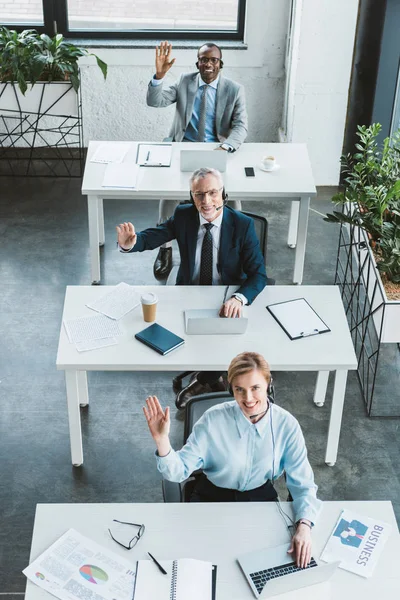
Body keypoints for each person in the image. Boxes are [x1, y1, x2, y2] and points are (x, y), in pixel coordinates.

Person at [143, 352, 322, 568]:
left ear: (268, 384)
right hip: (212, 497)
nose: (248, 398)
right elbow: (177, 471)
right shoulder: (213, 419)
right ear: (231, 389)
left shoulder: (286, 425)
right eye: (239, 389)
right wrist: (162, 441)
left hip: (259, 499)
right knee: (201, 565)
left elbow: (303, 485)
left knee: (268, 566)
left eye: (255, 388)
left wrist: (304, 526)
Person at [116, 168, 267, 408]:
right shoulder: (183, 215)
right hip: (189, 292)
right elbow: (155, 236)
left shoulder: (242, 225)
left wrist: (239, 298)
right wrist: (130, 243)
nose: (206, 201)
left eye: (212, 193)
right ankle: (210, 376)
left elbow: (259, 274)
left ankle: (203, 380)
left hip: (226, 295)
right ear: (191, 195)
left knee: (222, 335)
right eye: (199, 195)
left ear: (223, 194)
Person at [147, 41, 248, 280]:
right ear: (198, 63)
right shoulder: (185, 81)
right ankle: (165, 249)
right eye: (204, 59)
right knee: (168, 196)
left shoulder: (234, 89)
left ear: (220, 64)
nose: (208, 64)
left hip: (217, 150)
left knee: (232, 202)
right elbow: (155, 101)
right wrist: (159, 76)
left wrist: (224, 147)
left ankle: (235, 250)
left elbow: (241, 127)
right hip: (184, 148)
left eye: (213, 60)